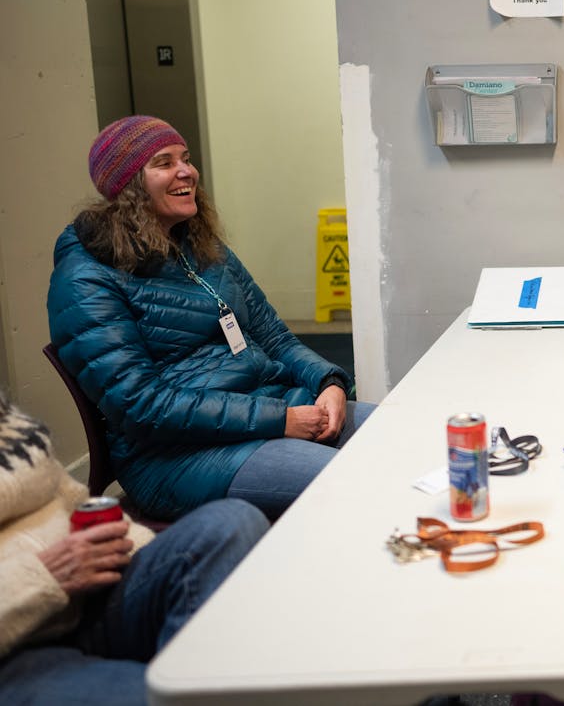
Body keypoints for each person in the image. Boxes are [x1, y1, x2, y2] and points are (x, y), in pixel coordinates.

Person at [47, 115, 376, 521]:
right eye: (164, 163)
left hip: (266, 410)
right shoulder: (86, 277)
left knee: (405, 437)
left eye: (185, 158)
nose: (187, 171)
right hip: (175, 457)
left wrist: (329, 382)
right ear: (127, 187)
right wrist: (280, 421)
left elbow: (273, 336)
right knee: (361, 481)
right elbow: (141, 405)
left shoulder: (199, 244)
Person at [0, 392, 268, 705]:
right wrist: (43, 577)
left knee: (233, 520)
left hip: (84, 599)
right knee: (160, 697)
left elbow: (67, 495)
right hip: (18, 649)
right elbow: (147, 403)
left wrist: (134, 550)